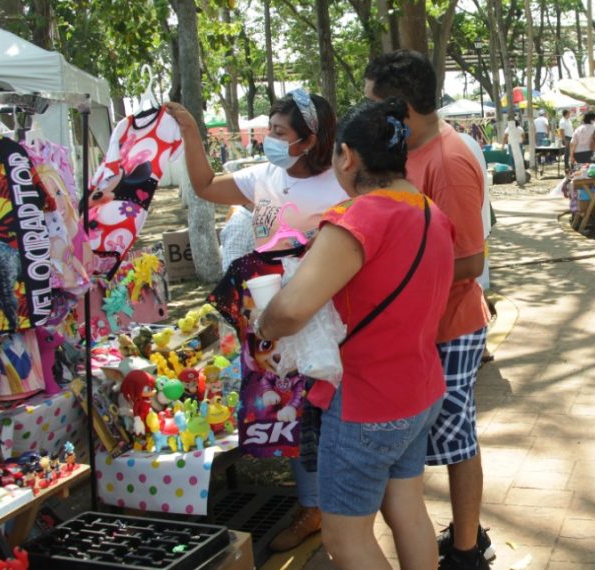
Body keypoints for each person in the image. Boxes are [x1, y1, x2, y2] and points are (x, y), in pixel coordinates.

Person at [254, 98, 455, 570]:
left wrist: (264, 321)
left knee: (345, 541)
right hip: (419, 391)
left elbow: (290, 311)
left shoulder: (358, 218)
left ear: (346, 156)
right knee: (407, 509)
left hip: (367, 402)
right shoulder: (429, 211)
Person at [167, 89, 348, 552]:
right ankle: (312, 507)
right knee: (283, 409)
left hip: (328, 316)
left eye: (280, 132)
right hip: (270, 313)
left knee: (326, 408)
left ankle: (342, 505)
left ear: (309, 139)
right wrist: (191, 132)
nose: (270, 139)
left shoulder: (342, 184)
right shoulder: (264, 176)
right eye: (269, 130)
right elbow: (206, 185)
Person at [364, 50, 492, 570]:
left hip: (451, 327)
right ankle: (466, 533)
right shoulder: (409, 152)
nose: (368, 112)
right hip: (422, 327)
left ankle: (466, 550)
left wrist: (394, 278)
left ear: (402, 107)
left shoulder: (448, 159)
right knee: (441, 437)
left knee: (456, 440)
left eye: (375, 103)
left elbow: (470, 259)